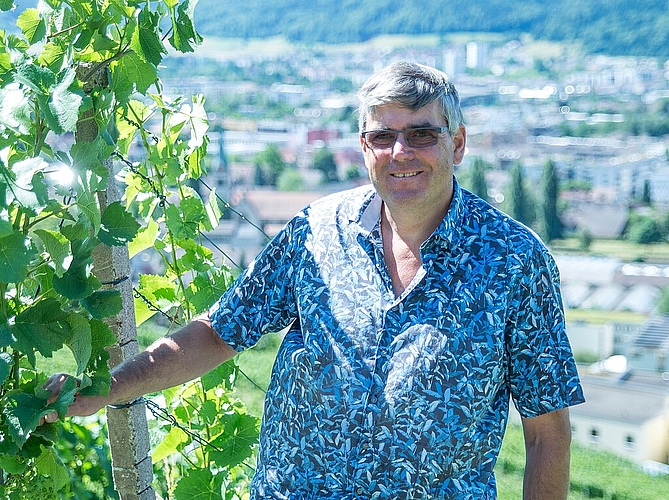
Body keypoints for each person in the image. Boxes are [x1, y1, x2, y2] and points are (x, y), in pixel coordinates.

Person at [45, 61, 585, 499]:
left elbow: (546, 433)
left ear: (458, 143)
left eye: (421, 134)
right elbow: (219, 331)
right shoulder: (315, 233)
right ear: (363, 146)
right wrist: (105, 388)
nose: (401, 152)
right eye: (383, 136)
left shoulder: (515, 261)